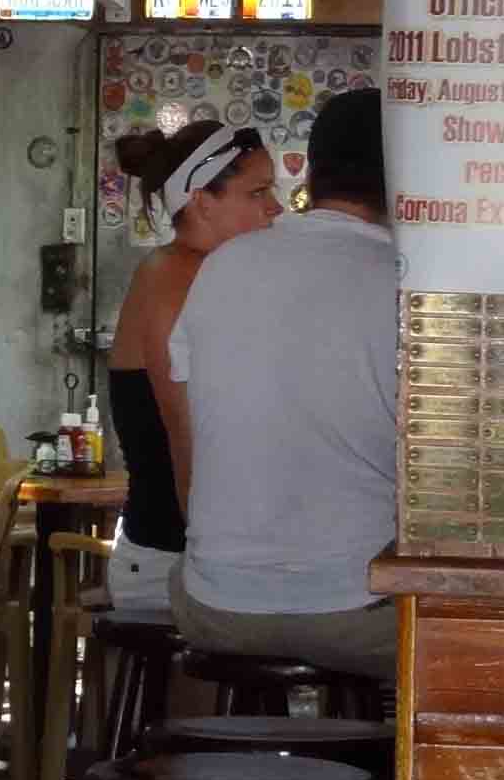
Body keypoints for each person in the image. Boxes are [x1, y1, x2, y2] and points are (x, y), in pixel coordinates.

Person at [169, 88, 398, 682]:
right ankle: (393, 772)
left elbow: (191, 435)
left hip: (215, 603)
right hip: (358, 608)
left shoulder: (223, 265)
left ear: (312, 171)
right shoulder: (409, 280)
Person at [101, 123, 277, 612]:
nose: (276, 208)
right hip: (173, 558)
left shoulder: (210, 274)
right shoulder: (175, 277)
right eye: (258, 192)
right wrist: (215, 556)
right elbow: (188, 433)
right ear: (202, 201)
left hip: (192, 547)